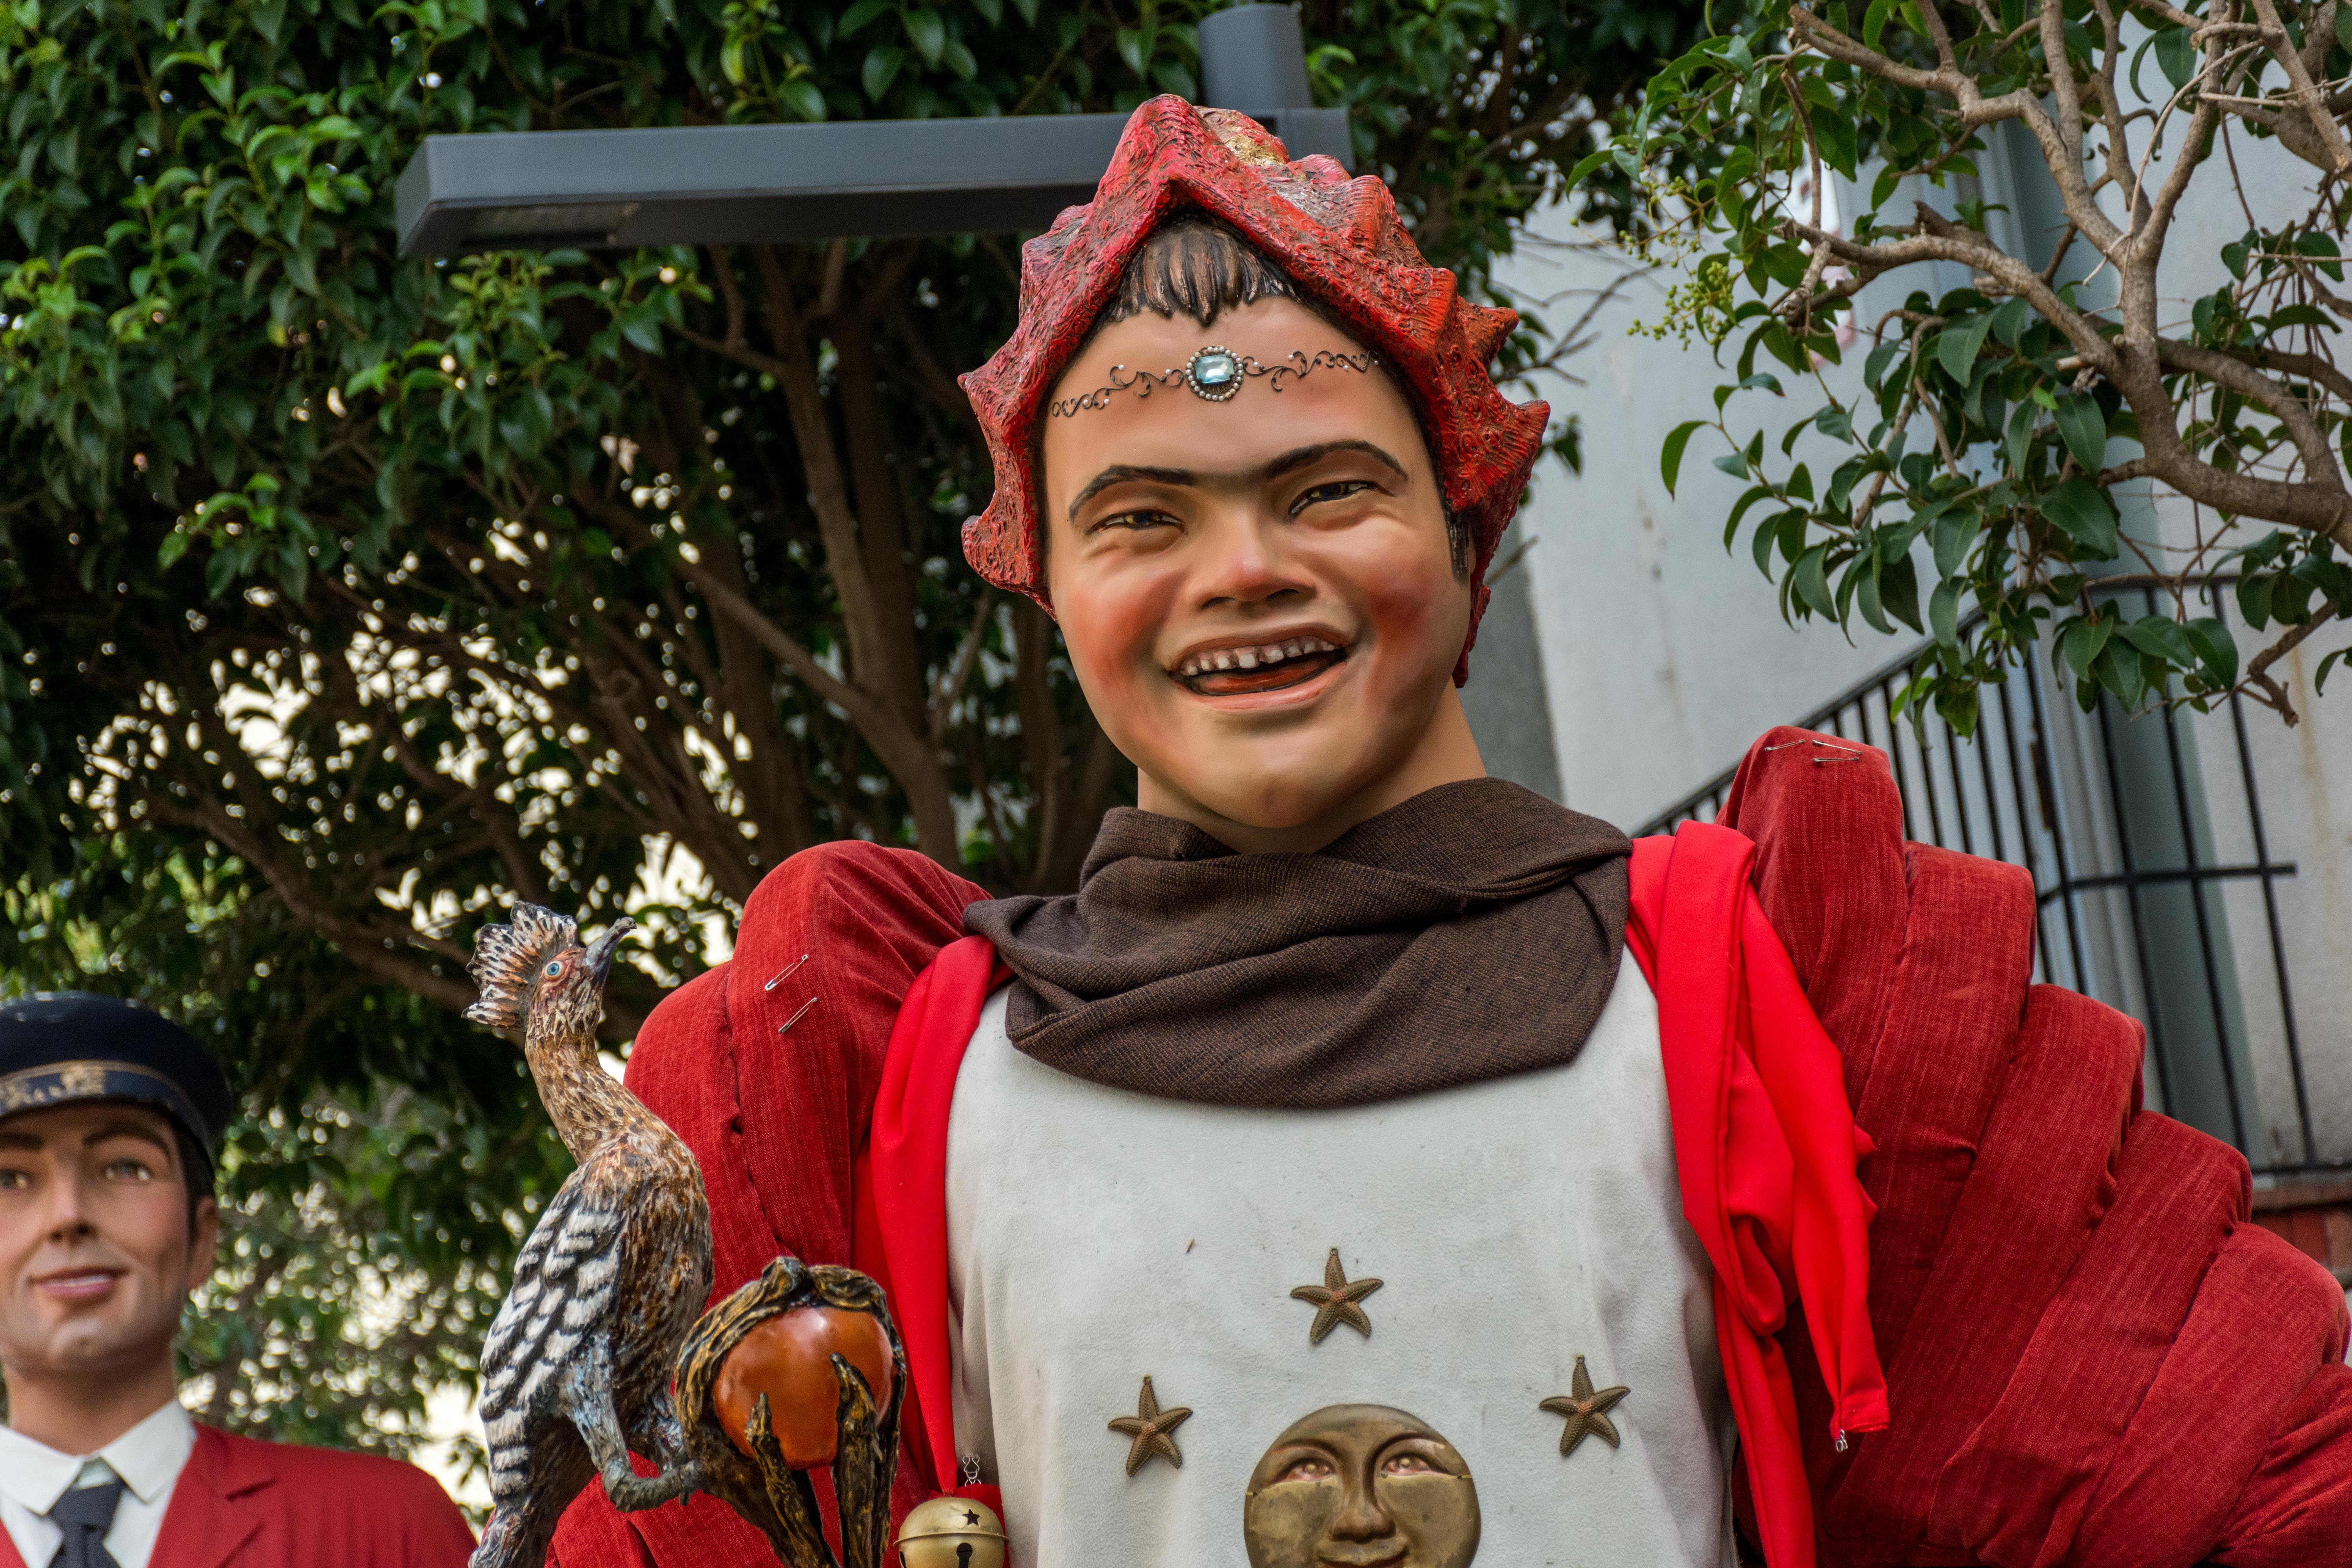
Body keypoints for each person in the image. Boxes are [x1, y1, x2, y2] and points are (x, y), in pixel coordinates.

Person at [546, 100, 2352, 1568]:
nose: (1240, 571)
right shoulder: (907, 1078)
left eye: (1324, 488)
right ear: (1054, 591)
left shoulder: (1749, 989)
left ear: (1465, 533)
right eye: (1140, 518)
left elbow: (2214, 1480)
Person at [0, 991, 479, 1568]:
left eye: (125, 1166)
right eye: (9, 1179)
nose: (68, 1214)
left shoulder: (387, 1529)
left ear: (202, 1240)